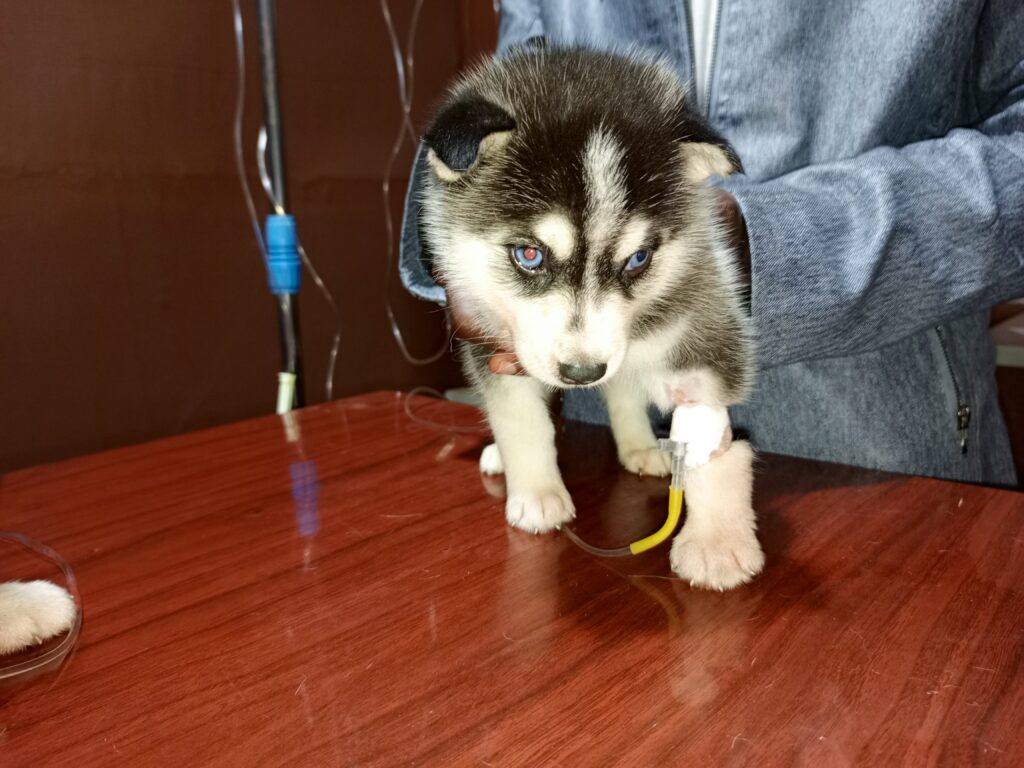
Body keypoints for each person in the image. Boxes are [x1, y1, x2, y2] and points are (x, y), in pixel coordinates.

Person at [400, 0, 1024, 485]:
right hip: (599, 456)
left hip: (882, 464)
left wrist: (767, 248)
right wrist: (459, 244)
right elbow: (506, 107)